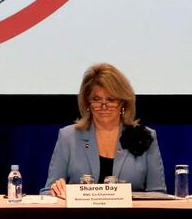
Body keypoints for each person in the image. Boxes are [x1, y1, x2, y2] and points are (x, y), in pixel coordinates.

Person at [42, 63, 165, 195]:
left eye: (111, 100)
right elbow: (47, 192)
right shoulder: (68, 137)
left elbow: (158, 193)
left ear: (123, 102)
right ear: (87, 103)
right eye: (96, 99)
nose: (104, 106)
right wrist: (56, 191)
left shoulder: (145, 137)